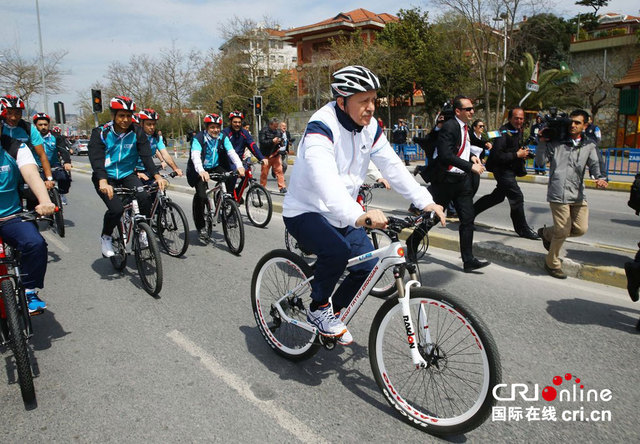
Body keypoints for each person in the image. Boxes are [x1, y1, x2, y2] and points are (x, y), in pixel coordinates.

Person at [283, 65, 445, 345]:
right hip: (307, 209)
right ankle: (318, 308)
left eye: (374, 100)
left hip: (344, 210)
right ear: (342, 101)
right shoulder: (321, 127)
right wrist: (359, 216)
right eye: (364, 101)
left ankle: (330, 314)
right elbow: (325, 181)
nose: (371, 108)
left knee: (369, 265)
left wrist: (425, 202)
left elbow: (392, 166)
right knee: (336, 251)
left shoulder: (370, 128)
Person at [412, 95, 489, 272]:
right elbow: (446, 155)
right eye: (468, 109)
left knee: (468, 220)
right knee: (433, 218)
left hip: (462, 182)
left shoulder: (465, 128)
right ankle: (412, 243)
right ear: (457, 111)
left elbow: (461, 149)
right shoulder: (449, 127)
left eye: (472, 109)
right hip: (446, 181)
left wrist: (472, 157)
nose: (472, 112)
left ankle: (468, 260)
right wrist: (471, 167)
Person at [88, 96, 167, 258]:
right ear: (113, 115)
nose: (125, 120)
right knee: (116, 209)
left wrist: (157, 176)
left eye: (128, 116)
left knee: (144, 196)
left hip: (126, 174)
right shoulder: (101, 133)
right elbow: (96, 159)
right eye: (121, 115)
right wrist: (102, 180)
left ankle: (142, 230)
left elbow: (146, 156)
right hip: (105, 177)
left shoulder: (137, 132)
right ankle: (106, 237)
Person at [537, 109, 608, 279]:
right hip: (558, 192)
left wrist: (600, 177)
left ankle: (546, 234)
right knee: (562, 230)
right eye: (571, 122)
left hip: (578, 193)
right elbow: (540, 162)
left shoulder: (589, 145)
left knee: (581, 228)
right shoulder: (556, 142)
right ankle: (551, 263)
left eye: (577, 122)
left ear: (585, 125)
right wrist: (541, 142)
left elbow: (595, 164)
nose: (573, 125)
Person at [0, 115, 56, 313]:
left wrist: (45, 200)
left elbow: (31, 173)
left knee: (35, 244)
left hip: (10, 217)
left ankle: (29, 290)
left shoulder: (15, 147)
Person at [474, 107, 541, 240]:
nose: (519, 121)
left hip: (510, 169)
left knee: (497, 197)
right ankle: (522, 229)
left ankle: (468, 214)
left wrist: (523, 155)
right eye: (516, 118)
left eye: (521, 118)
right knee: (517, 197)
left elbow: (514, 149)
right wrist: (517, 154)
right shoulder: (502, 133)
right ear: (510, 118)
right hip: (502, 170)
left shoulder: (518, 131)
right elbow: (497, 155)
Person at [186, 113, 245, 241]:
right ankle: (201, 226)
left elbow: (231, 152)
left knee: (230, 176)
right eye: (212, 127)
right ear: (207, 127)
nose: (216, 130)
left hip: (214, 166)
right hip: (199, 170)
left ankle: (224, 199)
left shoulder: (222, 137)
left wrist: (239, 166)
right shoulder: (199, 138)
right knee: (201, 196)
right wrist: (201, 171)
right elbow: (195, 156)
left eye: (218, 127)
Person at [0, 95, 54, 191]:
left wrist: (49, 178)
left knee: (35, 195)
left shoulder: (28, 128)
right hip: (4, 172)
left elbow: (42, 154)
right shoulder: (1, 127)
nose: (13, 117)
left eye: (17, 113)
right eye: (9, 113)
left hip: (26, 170)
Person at [221, 111, 267, 196]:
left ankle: (237, 194)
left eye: (239, 122)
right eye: (235, 122)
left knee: (247, 176)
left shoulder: (244, 133)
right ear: (231, 122)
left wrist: (261, 157)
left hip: (239, 161)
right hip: (227, 161)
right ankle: (230, 197)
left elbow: (252, 145)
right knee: (233, 177)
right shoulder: (225, 133)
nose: (237, 124)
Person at [32, 113, 73, 205]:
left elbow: (63, 150)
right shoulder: (31, 137)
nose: (43, 127)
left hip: (54, 165)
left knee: (64, 178)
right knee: (34, 185)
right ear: (36, 125)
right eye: (40, 125)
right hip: (37, 166)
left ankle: (61, 194)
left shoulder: (56, 137)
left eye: (45, 125)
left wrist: (67, 162)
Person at [135, 108, 183, 183]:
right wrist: (136, 173)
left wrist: (175, 168)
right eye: (149, 124)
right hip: (134, 171)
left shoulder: (156, 138)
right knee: (141, 194)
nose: (152, 127)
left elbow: (165, 154)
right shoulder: (134, 137)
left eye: (154, 124)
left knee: (159, 188)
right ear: (141, 124)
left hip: (149, 169)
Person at [259, 117, 287, 193]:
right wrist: (272, 141)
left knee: (279, 171)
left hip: (276, 154)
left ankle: (282, 187)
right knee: (264, 173)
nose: (276, 128)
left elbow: (282, 141)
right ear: (270, 124)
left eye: (277, 126)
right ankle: (262, 187)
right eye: (274, 126)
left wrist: (281, 143)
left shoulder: (278, 132)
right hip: (266, 155)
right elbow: (262, 142)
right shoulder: (264, 131)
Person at [469, 119, 492, 196]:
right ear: (475, 128)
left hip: (478, 165)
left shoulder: (483, 139)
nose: (482, 128)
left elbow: (482, 152)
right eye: (480, 126)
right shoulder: (470, 136)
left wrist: (483, 159)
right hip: (468, 163)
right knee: (466, 186)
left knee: (475, 185)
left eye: (483, 126)